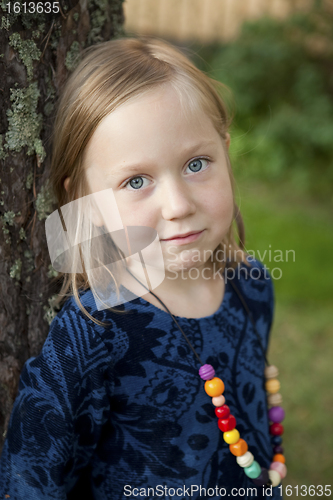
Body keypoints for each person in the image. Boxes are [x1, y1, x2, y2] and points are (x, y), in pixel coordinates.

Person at [0, 37, 285, 499]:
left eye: (197, 163)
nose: (177, 205)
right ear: (86, 205)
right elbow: (31, 477)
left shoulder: (251, 286)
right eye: (136, 181)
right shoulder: (94, 331)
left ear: (226, 152)